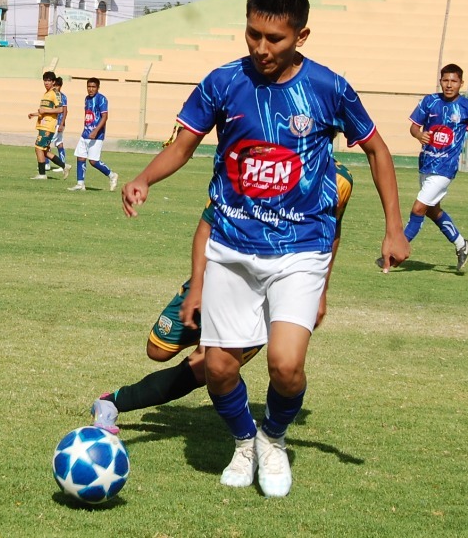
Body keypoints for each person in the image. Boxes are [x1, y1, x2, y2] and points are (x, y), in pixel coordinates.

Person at [120, 0, 409, 498]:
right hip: (232, 246)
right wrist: (144, 177)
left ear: (301, 35)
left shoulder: (329, 88)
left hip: (302, 247)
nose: (260, 47)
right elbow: (184, 144)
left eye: (274, 38)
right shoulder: (222, 82)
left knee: (286, 365)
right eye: (253, 33)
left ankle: (272, 439)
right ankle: (243, 444)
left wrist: (393, 228)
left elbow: (378, 152)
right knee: (220, 368)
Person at [91, 165, 353, 431]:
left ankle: (112, 402)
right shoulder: (249, 157)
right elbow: (208, 224)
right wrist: (199, 286)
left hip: (268, 295)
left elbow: (332, 230)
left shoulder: (339, 180)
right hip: (219, 277)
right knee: (157, 350)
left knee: (205, 368)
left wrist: (321, 290)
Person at [405, 64, 468, 273]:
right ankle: (462, 244)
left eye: (453, 81)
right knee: (433, 211)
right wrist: (418, 135)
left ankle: (396, 251)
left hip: (445, 168)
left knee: (418, 209)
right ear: (440, 81)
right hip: (426, 164)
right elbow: (414, 126)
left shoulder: (467, 107)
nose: (449, 85)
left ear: (461, 83)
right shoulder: (430, 101)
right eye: (445, 80)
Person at [68, 77, 120, 192]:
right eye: (89, 87)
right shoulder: (86, 99)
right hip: (85, 133)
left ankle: (112, 175)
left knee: (93, 161)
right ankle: (80, 184)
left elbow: (105, 117)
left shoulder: (101, 99)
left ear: (98, 87)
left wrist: (96, 130)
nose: (90, 89)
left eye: (93, 87)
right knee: (80, 157)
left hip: (97, 135)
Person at [27, 70, 64, 179]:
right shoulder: (46, 94)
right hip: (42, 124)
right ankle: (64, 166)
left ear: (53, 82)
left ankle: (42, 174)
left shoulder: (55, 93)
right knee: (44, 151)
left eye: (49, 80)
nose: (46, 83)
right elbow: (44, 110)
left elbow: (60, 109)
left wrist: (45, 112)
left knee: (38, 148)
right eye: (45, 80)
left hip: (48, 126)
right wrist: (34, 114)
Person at [49, 77, 70, 176]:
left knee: (47, 143)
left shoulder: (62, 97)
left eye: (57, 85)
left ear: (60, 86)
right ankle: (63, 165)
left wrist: (62, 123)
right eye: (54, 85)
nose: (55, 87)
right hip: (55, 123)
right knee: (59, 144)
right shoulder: (52, 95)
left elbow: (65, 111)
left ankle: (46, 163)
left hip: (57, 124)